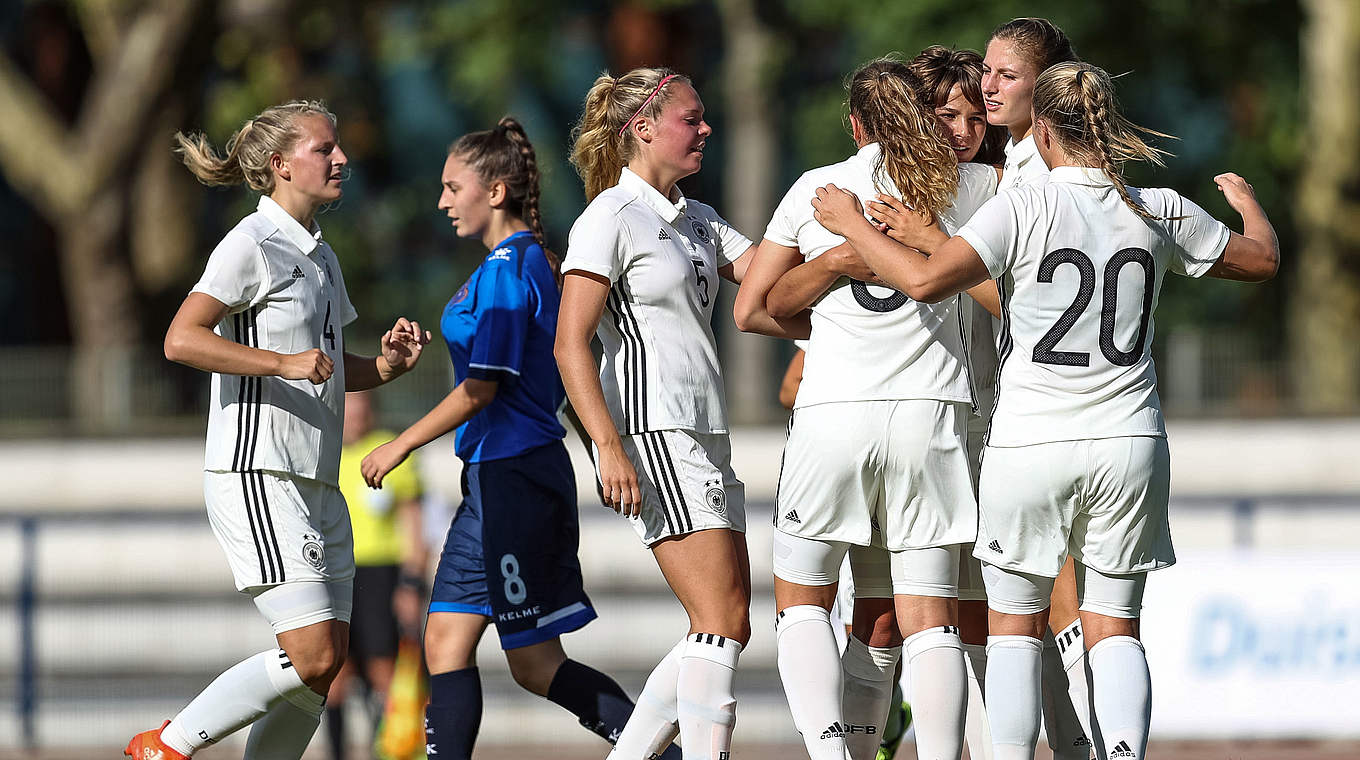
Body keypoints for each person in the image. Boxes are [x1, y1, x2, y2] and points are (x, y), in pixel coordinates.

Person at [809, 60, 1279, 760]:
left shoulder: (1023, 203)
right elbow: (1262, 260)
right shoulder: (1157, 206)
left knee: (1013, 627)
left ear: (1046, 134)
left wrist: (853, 222)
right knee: (1115, 625)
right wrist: (1245, 203)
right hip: (1129, 441)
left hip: (1031, 444)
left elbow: (925, 279)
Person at [125, 100, 431, 760]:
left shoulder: (321, 256)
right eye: (325, 149)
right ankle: (166, 746)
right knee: (314, 654)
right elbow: (181, 339)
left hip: (318, 482)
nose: (342, 159)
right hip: (259, 474)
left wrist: (385, 365)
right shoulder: (249, 244)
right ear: (281, 164)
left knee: (323, 672)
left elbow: (325, 366)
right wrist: (278, 362)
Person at [358, 117, 665, 760]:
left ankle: (662, 751)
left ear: (494, 191)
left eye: (453, 187)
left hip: (515, 478)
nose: (442, 202)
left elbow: (482, 389)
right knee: (443, 640)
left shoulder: (512, 266)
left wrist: (397, 444)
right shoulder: (509, 265)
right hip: (489, 482)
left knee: (534, 663)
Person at [734, 56, 999, 760]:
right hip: (931, 416)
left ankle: (830, 755)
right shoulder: (976, 185)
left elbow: (751, 310)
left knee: (804, 603)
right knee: (929, 618)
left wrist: (832, 267)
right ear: (922, 115)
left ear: (855, 125)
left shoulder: (815, 189)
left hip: (833, 412)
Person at [875, 21, 1094, 759]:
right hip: (935, 430)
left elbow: (1020, 303)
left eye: (985, 99)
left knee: (1048, 610)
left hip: (1020, 424)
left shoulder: (1019, 181)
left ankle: (1080, 746)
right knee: (961, 621)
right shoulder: (877, 190)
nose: (969, 123)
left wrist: (926, 244)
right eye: (950, 114)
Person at [556, 67, 761, 760]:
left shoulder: (694, 216)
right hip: (656, 431)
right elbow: (569, 342)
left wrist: (856, 242)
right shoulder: (612, 216)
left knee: (728, 626)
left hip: (704, 431)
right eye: (691, 119)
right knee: (719, 618)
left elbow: (771, 273)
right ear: (642, 129)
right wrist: (608, 446)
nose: (705, 129)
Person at [325, 390, 427, 760]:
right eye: (347, 413)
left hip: (382, 573)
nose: (353, 419)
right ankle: (337, 753)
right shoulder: (326, 452)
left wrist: (412, 582)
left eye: (360, 411)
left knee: (384, 667)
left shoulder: (389, 450)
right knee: (334, 672)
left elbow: (413, 522)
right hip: (335, 574)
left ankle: (384, 750)